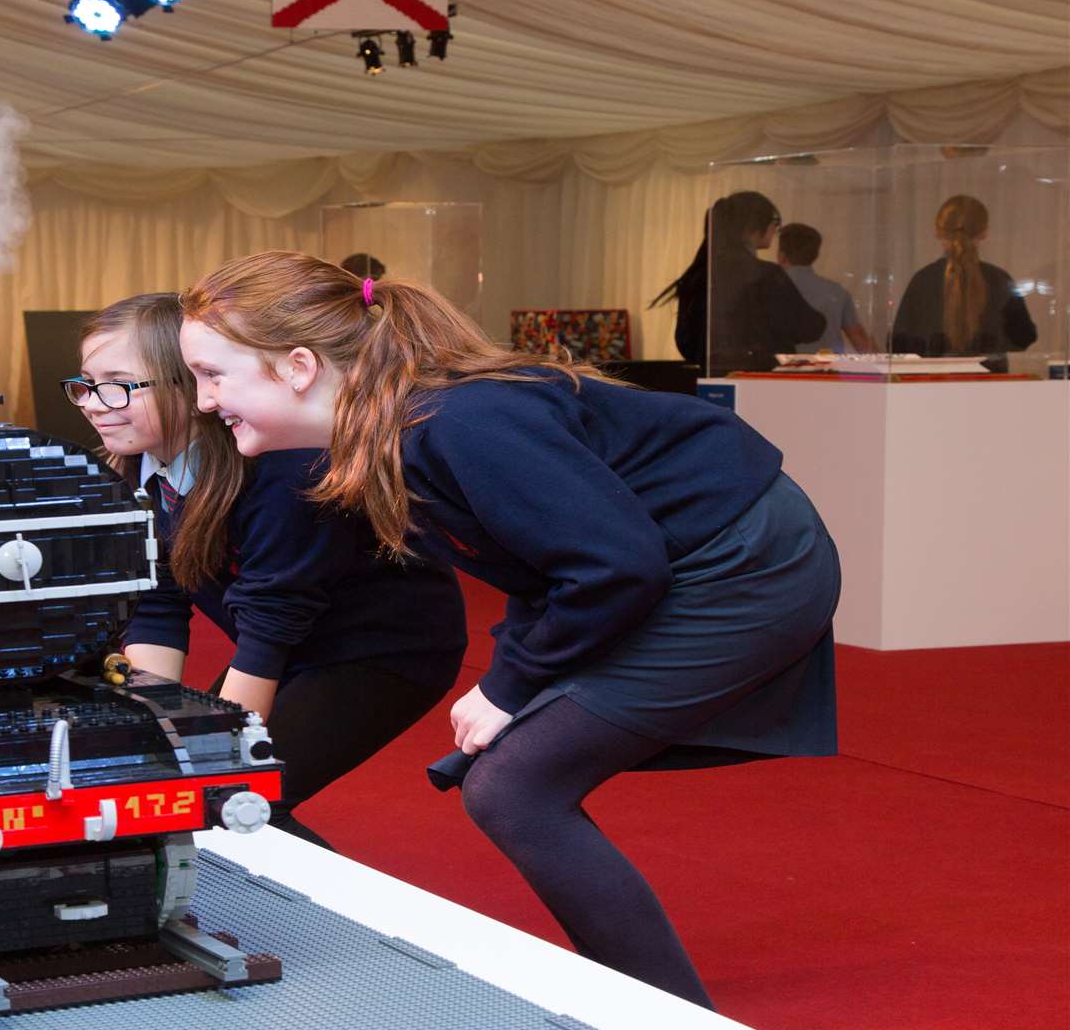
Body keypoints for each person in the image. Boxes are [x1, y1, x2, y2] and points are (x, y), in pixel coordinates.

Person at [178, 252, 840, 1009]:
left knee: (516, 787)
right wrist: (519, 679)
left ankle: (665, 1012)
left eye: (214, 374)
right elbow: (542, 563)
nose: (202, 401)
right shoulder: (387, 432)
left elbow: (614, 567)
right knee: (511, 779)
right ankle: (639, 1000)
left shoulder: (461, 419)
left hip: (741, 562)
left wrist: (511, 684)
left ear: (297, 366)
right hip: (673, 560)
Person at [64, 292, 468, 850]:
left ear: (192, 385)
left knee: (238, 799)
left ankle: (337, 930)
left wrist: (213, 756)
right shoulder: (141, 466)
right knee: (186, 783)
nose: (92, 403)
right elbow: (159, 603)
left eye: (118, 384)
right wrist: (150, 729)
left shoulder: (280, 466)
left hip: (381, 652)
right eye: (86, 384)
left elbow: (273, 620)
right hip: (289, 638)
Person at [652, 191, 825, 374]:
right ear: (754, 228)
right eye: (775, 222)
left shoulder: (699, 274)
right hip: (763, 381)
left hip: (713, 382)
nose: (775, 230)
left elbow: (687, 342)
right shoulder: (765, 275)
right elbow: (809, 327)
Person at [890, 195, 1037, 369]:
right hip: (990, 386)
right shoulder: (1000, 280)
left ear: (938, 232)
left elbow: (899, 344)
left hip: (931, 386)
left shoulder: (922, 281)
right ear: (984, 232)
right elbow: (1024, 337)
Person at [777, 223, 877, 353]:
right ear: (816, 256)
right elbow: (859, 338)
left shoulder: (766, 289)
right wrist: (891, 369)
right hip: (828, 370)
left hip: (780, 370)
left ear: (781, 256)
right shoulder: (837, 291)